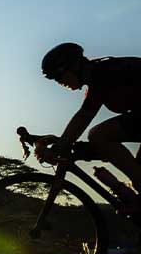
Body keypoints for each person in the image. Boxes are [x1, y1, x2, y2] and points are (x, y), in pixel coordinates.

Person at [39, 42, 141, 207]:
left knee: (99, 135)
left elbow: (83, 117)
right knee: (136, 172)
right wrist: (69, 145)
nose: (59, 82)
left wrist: (61, 146)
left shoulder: (103, 73)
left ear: (74, 67)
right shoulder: (99, 75)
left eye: (58, 76)